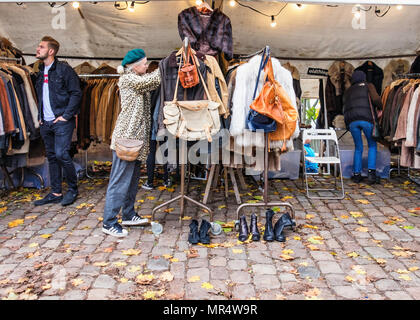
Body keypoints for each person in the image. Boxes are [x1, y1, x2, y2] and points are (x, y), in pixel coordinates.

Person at [102, 49, 161, 237]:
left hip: (135, 139)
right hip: (126, 138)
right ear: (134, 66)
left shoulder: (136, 78)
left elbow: (150, 78)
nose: (147, 66)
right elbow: (150, 81)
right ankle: (109, 222)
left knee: (132, 181)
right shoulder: (128, 79)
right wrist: (166, 66)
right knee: (119, 181)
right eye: (144, 63)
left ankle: (127, 214)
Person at [33, 36, 82, 206]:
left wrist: (66, 116)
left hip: (61, 120)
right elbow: (41, 95)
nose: (38, 49)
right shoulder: (39, 70)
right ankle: (55, 192)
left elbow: (76, 92)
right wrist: (40, 115)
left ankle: (73, 189)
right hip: (46, 122)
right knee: (52, 157)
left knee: (62, 154)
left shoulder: (63, 70)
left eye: (41, 47)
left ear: (51, 51)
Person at [343, 70, 382, 184]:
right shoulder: (368, 86)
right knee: (372, 145)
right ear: (364, 78)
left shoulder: (348, 91)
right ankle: (371, 175)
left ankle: (356, 175)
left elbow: (344, 107)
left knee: (358, 147)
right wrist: (381, 106)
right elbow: (375, 99)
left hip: (352, 121)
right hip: (367, 120)